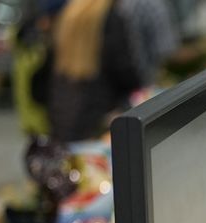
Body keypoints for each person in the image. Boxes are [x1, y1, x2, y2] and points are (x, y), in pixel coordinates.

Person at [47, 0, 141, 142]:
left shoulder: (70, 12)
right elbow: (123, 66)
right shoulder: (109, 16)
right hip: (99, 113)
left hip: (63, 109)